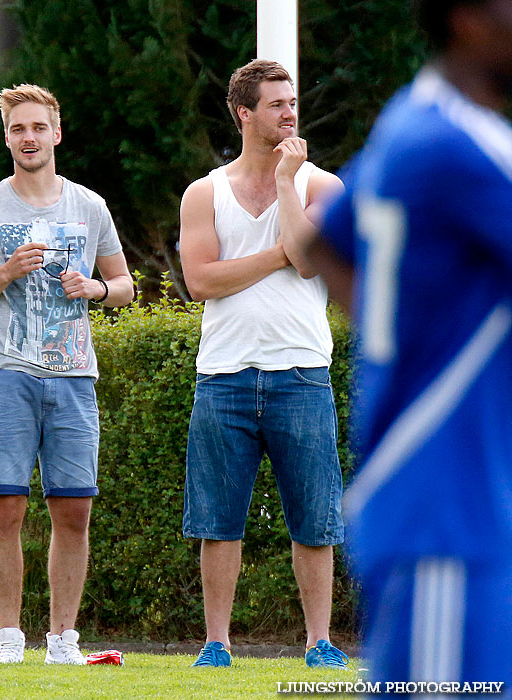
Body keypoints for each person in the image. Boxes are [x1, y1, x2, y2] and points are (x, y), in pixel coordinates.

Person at [309, 0, 512, 687]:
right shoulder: (460, 149)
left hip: (457, 495)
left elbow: (324, 240)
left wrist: (409, 335)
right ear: (466, 17)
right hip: (444, 503)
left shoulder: (410, 119)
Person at [0, 84, 134, 665]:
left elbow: (125, 287)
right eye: (18, 129)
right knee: (6, 507)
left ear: (57, 132)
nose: (29, 137)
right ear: (7, 137)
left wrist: (96, 288)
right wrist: (4, 273)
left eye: (38, 127)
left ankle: (63, 641)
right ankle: (8, 640)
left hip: (75, 375)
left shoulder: (89, 206)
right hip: (6, 374)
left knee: (73, 509)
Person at [178, 59, 349, 669]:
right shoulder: (205, 192)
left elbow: (310, 263)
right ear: (243, 113)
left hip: (302, 373)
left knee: (315, 516)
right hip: (223, 375)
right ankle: (216, 644)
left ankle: (319, 643)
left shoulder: (322, 188)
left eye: (292, 101)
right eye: (275, 104)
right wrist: (281, 249)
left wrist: (286, 183)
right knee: (217, 520)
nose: (289, 112)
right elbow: (201, 280)